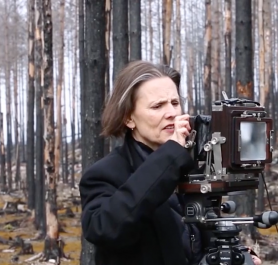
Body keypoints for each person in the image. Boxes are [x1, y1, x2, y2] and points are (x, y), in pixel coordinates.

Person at [79, 60, 262, 265]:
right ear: (128, 118)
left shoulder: (191, 168)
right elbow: (105, 229)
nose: (172, 113)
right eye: (157, 106)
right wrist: (171, 155)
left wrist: (235, 253)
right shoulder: (105, 174)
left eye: (175, 103)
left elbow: (201, 241)